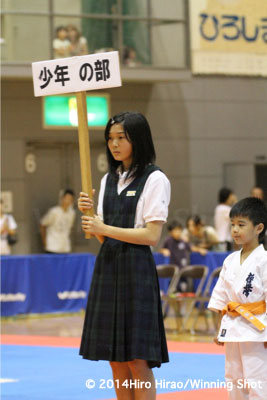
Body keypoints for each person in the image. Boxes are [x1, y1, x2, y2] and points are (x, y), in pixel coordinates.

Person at [78, 111, 170, 400]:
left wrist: (102, 226)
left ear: (138, 139)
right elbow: (104, 236)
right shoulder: (108, 179)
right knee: (115, 359)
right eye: (110, 139)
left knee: (137, 359)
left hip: (136, 270)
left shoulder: (155, 179)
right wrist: (89, 217)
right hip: (108, 268)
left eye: (121, 138)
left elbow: (151, 236)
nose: (114, 144)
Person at [208, 197, 267, 399]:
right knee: (234, 378)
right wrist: (219, 328)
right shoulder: (230, 260)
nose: (234, 229)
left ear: (259, 228)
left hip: (257, 330)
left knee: (257, 378)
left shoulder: (264, 260)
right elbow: (221, 297)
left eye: (241, 225)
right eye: (232, 224)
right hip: (232, 327)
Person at [40, 189, 75, 254]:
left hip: (65, 248)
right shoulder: (54, 212)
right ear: (62, 198)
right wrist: (44, 242)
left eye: (70, 199)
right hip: (52, 247)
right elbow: (43, 224)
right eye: (66, 198)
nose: (68, 201)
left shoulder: (72, 213)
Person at [160, 220, 191, 292]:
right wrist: (164, 250)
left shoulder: (183, 241)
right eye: (175, 230)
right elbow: (161, 249)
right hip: (173, 272)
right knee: (173, 291)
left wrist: (199, 249)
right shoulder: (168, 240)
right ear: (170, 232)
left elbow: (191, 248)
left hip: (183, 270)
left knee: (183, 290)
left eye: (179, 230)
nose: (178, 232)